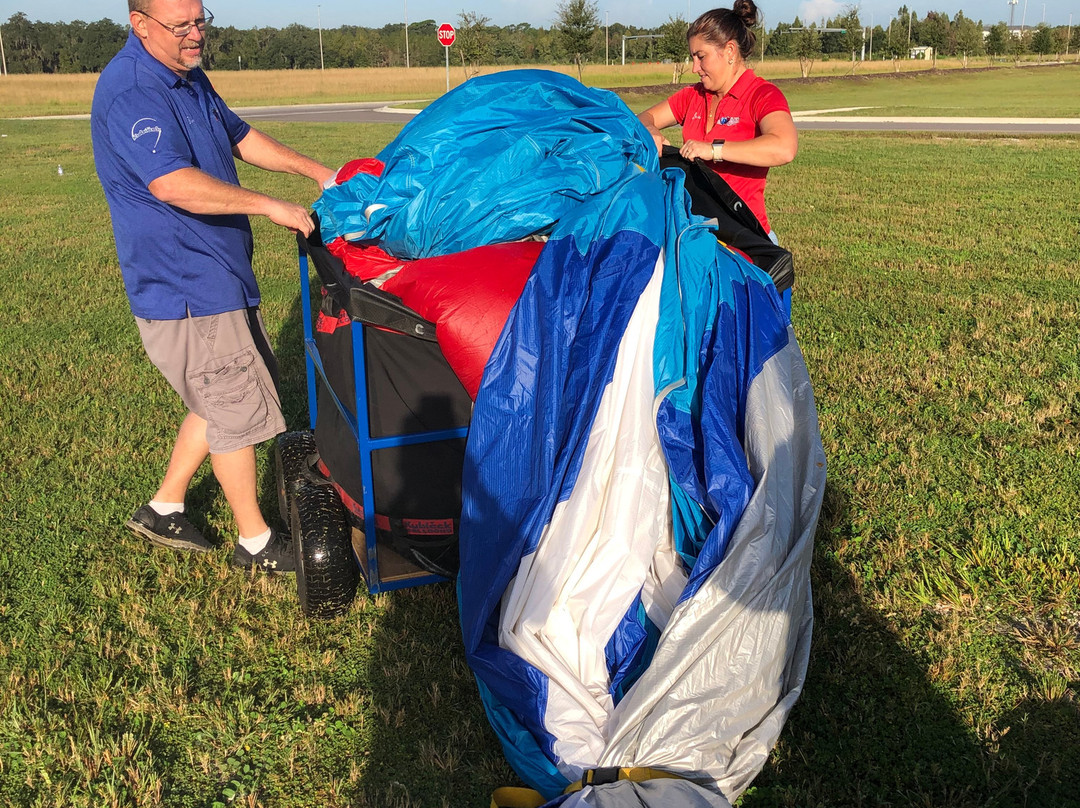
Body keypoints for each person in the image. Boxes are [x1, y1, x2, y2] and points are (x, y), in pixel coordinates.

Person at [91, 0, 337, 572]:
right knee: (234, 408)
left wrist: (319, 172)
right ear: (139, 23)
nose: (195, 34)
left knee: (219, 390)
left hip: (216, 272)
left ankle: (164, 505)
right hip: (187, 282)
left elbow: (240, 137)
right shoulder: (133, 91)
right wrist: (270, 206)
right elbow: (174, 184)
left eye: (201, 20)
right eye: (181, 26)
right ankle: (255, 544)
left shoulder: (187, 77)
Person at [638, 0, 797, 314]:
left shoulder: (762, 95)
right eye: (692, 57)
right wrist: (650, 132)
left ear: (729, 51)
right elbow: (644, 117)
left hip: (746, 246)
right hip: (698, 243)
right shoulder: (693, 96)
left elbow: (784, 147)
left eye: (701, 57)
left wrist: (714, 150)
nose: (694, 67)